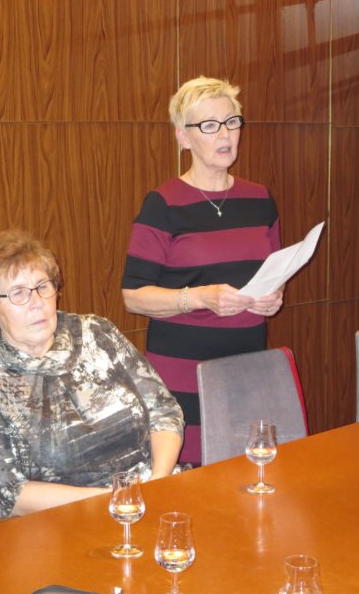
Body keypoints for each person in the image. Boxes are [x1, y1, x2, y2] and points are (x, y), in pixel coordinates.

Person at [0, 229, 184, 519]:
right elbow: (6, 489)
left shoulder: (97, 332)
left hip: (152, 494)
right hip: (63, 522)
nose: (36, 302)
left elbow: (163, 410)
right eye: (18, 294)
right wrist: (117, 499)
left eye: (42, 286)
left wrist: (157, 482)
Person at [121, 76, 284, 464]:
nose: (225, 134)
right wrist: (199, 298)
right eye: (209, 125)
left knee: (243, 469)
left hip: (246, 365)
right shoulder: (163, 204)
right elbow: (133, 296)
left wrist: (273, 299)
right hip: (182, 372)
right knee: (189, 476)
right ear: (183, 137)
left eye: (232, 122)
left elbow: (273, 272)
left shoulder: (260, 199)